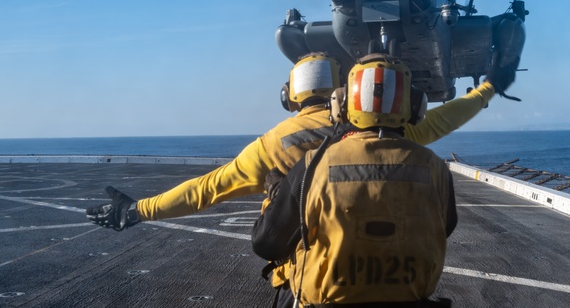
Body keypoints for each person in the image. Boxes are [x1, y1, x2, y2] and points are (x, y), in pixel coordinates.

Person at [84, 51, 514, 233]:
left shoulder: (273, 144)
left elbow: (206, 190)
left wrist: (137, 210)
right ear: (342, 90)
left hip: (320, 275)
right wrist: (488, 88)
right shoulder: (389, 129)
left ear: (290, 95)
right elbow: (445, 118)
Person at [252, 55, 457, 307]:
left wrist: (277, 196)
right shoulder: (436, 168)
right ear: (415, 106)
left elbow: (266, 244)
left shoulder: (312, 166)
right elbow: (444, 227)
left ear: (342, 104)